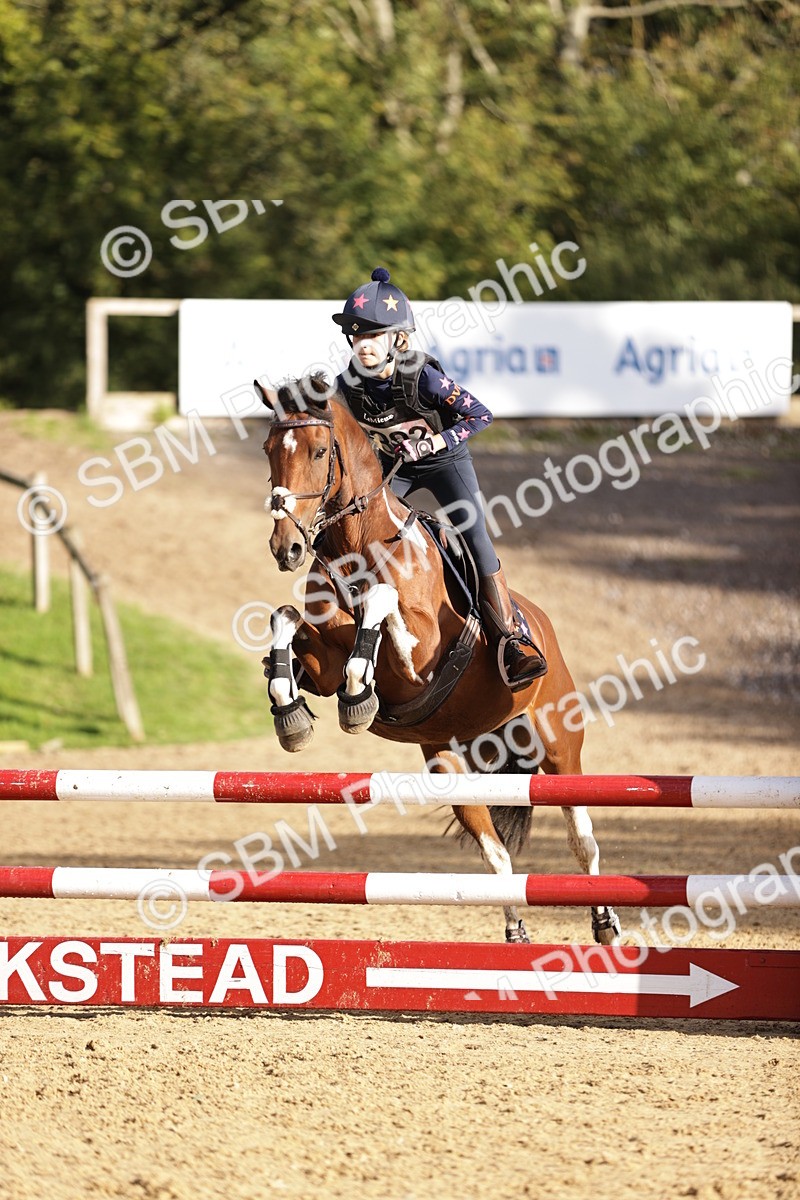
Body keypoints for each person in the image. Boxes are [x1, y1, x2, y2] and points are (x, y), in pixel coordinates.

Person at [332, 266, 547, 691]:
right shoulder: (348, 385)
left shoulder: (422, 376)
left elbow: (480, 415)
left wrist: (433, 444)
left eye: (372, 336)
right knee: (355, 529)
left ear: (398, 339)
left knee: (475, 536)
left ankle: (511, 640)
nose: (362, 346)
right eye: (356, 338)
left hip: (446, 464)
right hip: (396, 468)